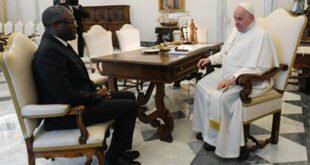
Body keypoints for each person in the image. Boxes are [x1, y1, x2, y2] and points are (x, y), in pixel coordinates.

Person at [32, 5, 140, 165]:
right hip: (67, 114)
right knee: (129, 107)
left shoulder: (60, 44)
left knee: (130, 96)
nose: (76, 25)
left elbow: (78, 78)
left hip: (80, 101)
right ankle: (113, 158)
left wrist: (96, 88)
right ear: (56, 25)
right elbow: (64, 96)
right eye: (71, 22)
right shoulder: (49, 52)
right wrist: (96, 96)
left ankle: (120, 150)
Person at [192, 2, 279, 160]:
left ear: (251, 18)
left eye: (240, 19)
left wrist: (234, 79)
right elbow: (225, 54)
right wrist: (210, 59)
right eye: (234, 18)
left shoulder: (261, 36)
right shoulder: (235, 31)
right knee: (201, 86)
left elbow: (260, 68)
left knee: (223, 97)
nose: (236, 22)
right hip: (226, 75)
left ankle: (226, 142)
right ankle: (209, 133)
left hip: (249, 81)